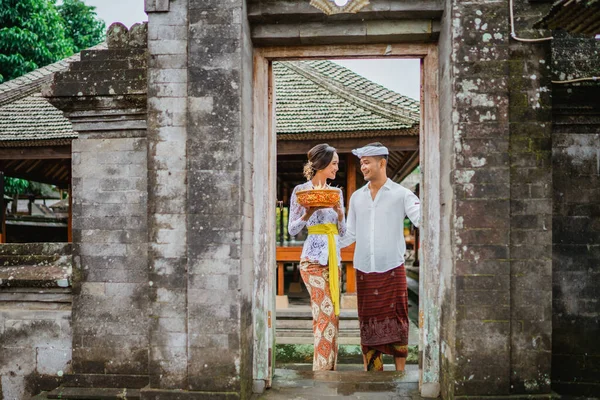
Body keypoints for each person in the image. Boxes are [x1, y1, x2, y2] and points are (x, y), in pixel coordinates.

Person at [339, 142, 420, 372]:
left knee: (398, 323)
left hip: (393, 268)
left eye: (367, 162)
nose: (362, 167)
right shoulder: (356, 197)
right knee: (368, 325)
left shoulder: (402, 194)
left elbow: (421, 218)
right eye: (361, 162)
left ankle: (400, 375)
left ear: (382, 163)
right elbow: (350, 233)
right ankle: (373, 376)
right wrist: (327, 245)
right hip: (364, 269)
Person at [288, 143, 346, 371]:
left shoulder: (336, 193)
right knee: (325, 313)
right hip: (312, 261)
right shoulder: (301, 191)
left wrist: (340, 213)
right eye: (334, 164)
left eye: (338, 164)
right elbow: (292, 230)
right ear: (321, 165)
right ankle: (321, 372)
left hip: (334, 260)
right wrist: (307, 213)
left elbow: (342, 232)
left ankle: (329, 370)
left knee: (333, 318)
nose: (336, 168)